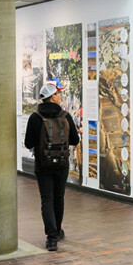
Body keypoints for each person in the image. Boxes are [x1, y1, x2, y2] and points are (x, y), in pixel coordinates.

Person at [25, 81, 79, 251]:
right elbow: (75, 140)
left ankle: (52, 238)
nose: (60, 96)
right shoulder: (65, 116)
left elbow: (28, 143)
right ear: (52, 96)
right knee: (59, 197)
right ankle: (58, 230)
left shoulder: (35, 117)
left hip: (43, 164)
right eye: (58, 93)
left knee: (47, 199)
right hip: (61, 164)